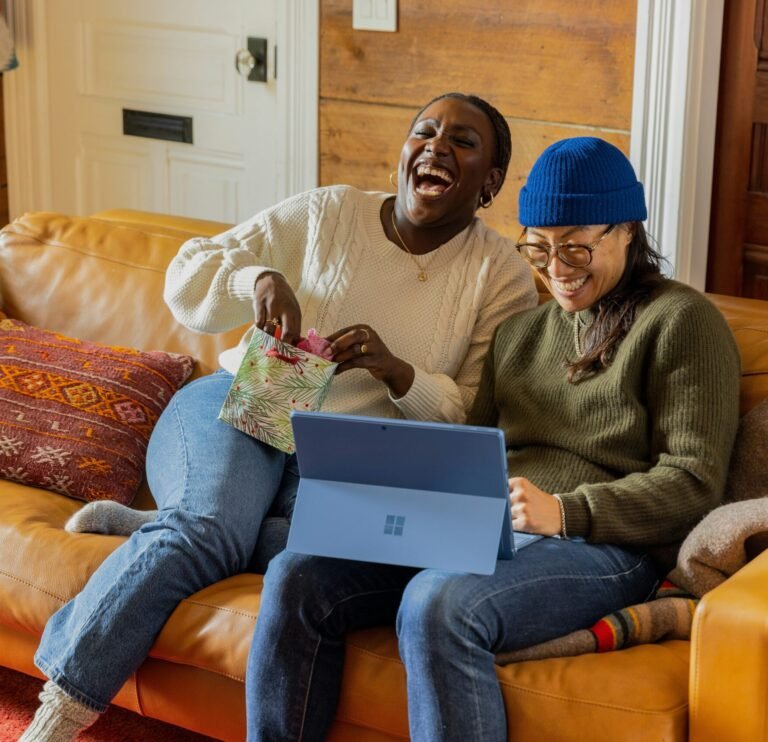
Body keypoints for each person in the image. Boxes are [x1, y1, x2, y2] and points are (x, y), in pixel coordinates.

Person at [20, 92, 538, 742]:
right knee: (208, 529)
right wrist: (259, 280)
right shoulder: (330, 212)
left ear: (490, 182)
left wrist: (398, 373)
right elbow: (187, 274)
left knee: (338, 546)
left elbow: (473, 417)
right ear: (405, 152)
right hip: (247, 398)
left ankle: (164, 526)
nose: (437, 146)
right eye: (425, 132)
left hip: (351, 458)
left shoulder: (502, 277)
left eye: (462, 141)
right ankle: (57, 715)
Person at [245, 137, 742, 741]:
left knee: (438, 603)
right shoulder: (519, 334)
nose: (556, 269)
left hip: (604, 545)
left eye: (576, 247)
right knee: (297, 571)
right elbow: (470, 452)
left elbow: (693, 482)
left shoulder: (682, 320)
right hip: (487, 528)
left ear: (627, 231)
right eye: (539, 247)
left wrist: (567, 512)